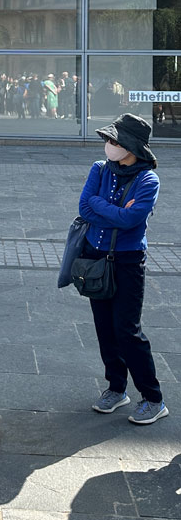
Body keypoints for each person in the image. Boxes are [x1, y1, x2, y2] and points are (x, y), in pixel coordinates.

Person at [78, 113, 168, 425]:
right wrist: (114, 210)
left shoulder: (148, 179)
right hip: (95, 258)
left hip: (128, 261)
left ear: (131, 146)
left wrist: (102, 208)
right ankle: (117, 388)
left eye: (114, 140)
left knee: (127, 330)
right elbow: (83, 206)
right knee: (104, 328)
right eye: (108, 139)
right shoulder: (100, 169)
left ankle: (153, 397)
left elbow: (131, 220)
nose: (108, 145)